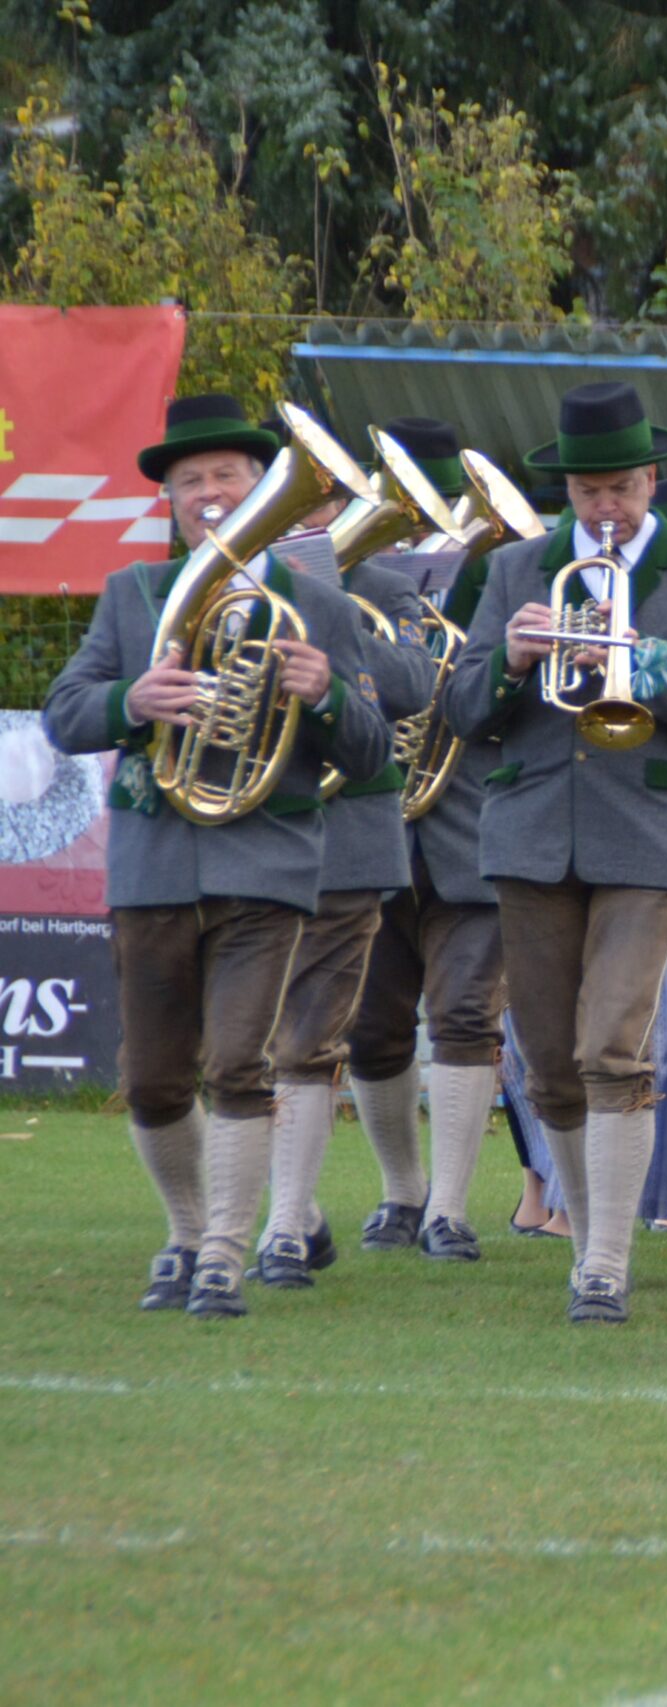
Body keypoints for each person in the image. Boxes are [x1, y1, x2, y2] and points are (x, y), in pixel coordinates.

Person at [43, 394, 392, 1317]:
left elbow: (371, 755)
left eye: (227, 477)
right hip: (155, 865)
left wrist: (325, 694)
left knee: (240, 1064)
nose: (208, 493)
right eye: (189, 480)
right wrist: (132, 700)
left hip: (267, 865)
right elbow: (66, 715)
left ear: (262, 487)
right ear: (168, 500)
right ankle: (187, 1231)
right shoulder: (134, 594)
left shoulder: (318, 603)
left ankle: (225, 1257)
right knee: (153, 1079)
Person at [445, 381, 667, 1325]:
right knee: (548, 1065)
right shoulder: (516, 569)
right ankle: (586, 1241)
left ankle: (607, 1261)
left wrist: (633, 658)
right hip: (531, 831)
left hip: (648, 831)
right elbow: (462, 711)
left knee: (612, 1044)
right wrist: (512, 662)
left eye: (621, 487)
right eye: (587, 491)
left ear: (652, 479)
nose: (605, 508)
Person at [248, 424, 441, 1285]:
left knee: (313, 1036)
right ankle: (300, 1210)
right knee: (240, 1044)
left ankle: (284, 1224)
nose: (301, 519)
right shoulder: (218, 586)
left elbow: (415, 687)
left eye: (313, 501)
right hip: (245, 833)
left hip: (347, 836)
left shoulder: (385, 586)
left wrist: (333, 624)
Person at [341, 418, 513, 1265]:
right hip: (372, 825)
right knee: (370, 1025)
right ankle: (401, 1189)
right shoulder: (346, 576)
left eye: (428, 511)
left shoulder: (495, 574)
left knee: (465, 1015)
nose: (411, 532)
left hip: (469, 821)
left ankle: (449, 1207)